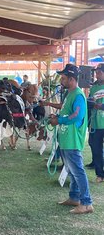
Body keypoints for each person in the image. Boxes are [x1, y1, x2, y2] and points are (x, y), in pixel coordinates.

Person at [48, 64, 93, 214]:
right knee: (72, 170)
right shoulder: (71, 93)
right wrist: (57, 117)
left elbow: (77, 116)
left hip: (73, 139)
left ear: (72, 79)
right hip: (67, 138)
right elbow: (68, 112)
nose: (61, 80)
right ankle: (74, 197)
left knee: (78, 171)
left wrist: (59, 120)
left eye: (64, 78)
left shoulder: (78, 95)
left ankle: (86, 203)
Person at [87, 63, 104, 181]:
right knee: (95, 148)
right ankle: (100, 174)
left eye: (99, 72)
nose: (97, 75)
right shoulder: (93, 88)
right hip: (95, 123)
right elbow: (89, 102)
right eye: (96, 72)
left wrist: (101, 106)